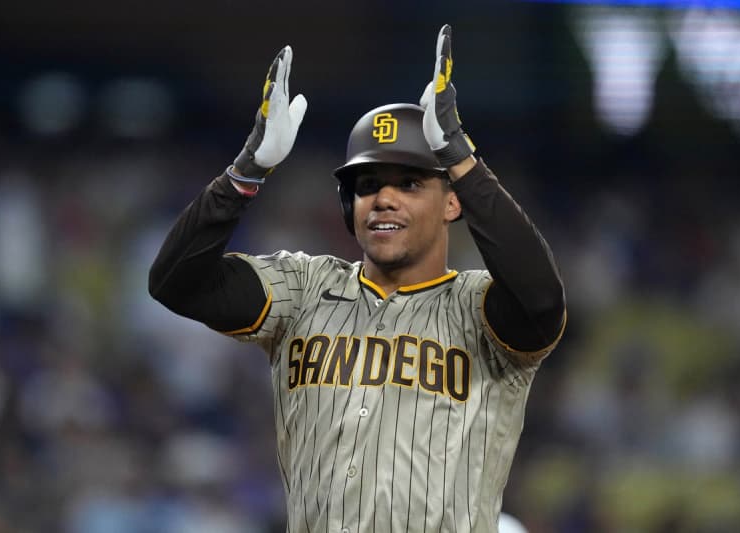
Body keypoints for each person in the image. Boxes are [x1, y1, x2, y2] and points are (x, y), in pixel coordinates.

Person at [149, 24, 566, 533]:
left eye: (409, 183)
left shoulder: (480, 307)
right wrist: (245, 173)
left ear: (453, 203)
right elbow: (176, 282)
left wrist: (462, 161)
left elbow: (542, 300)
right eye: (368, 185)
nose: (384, 199)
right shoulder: (303, 290)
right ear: (350, 205)